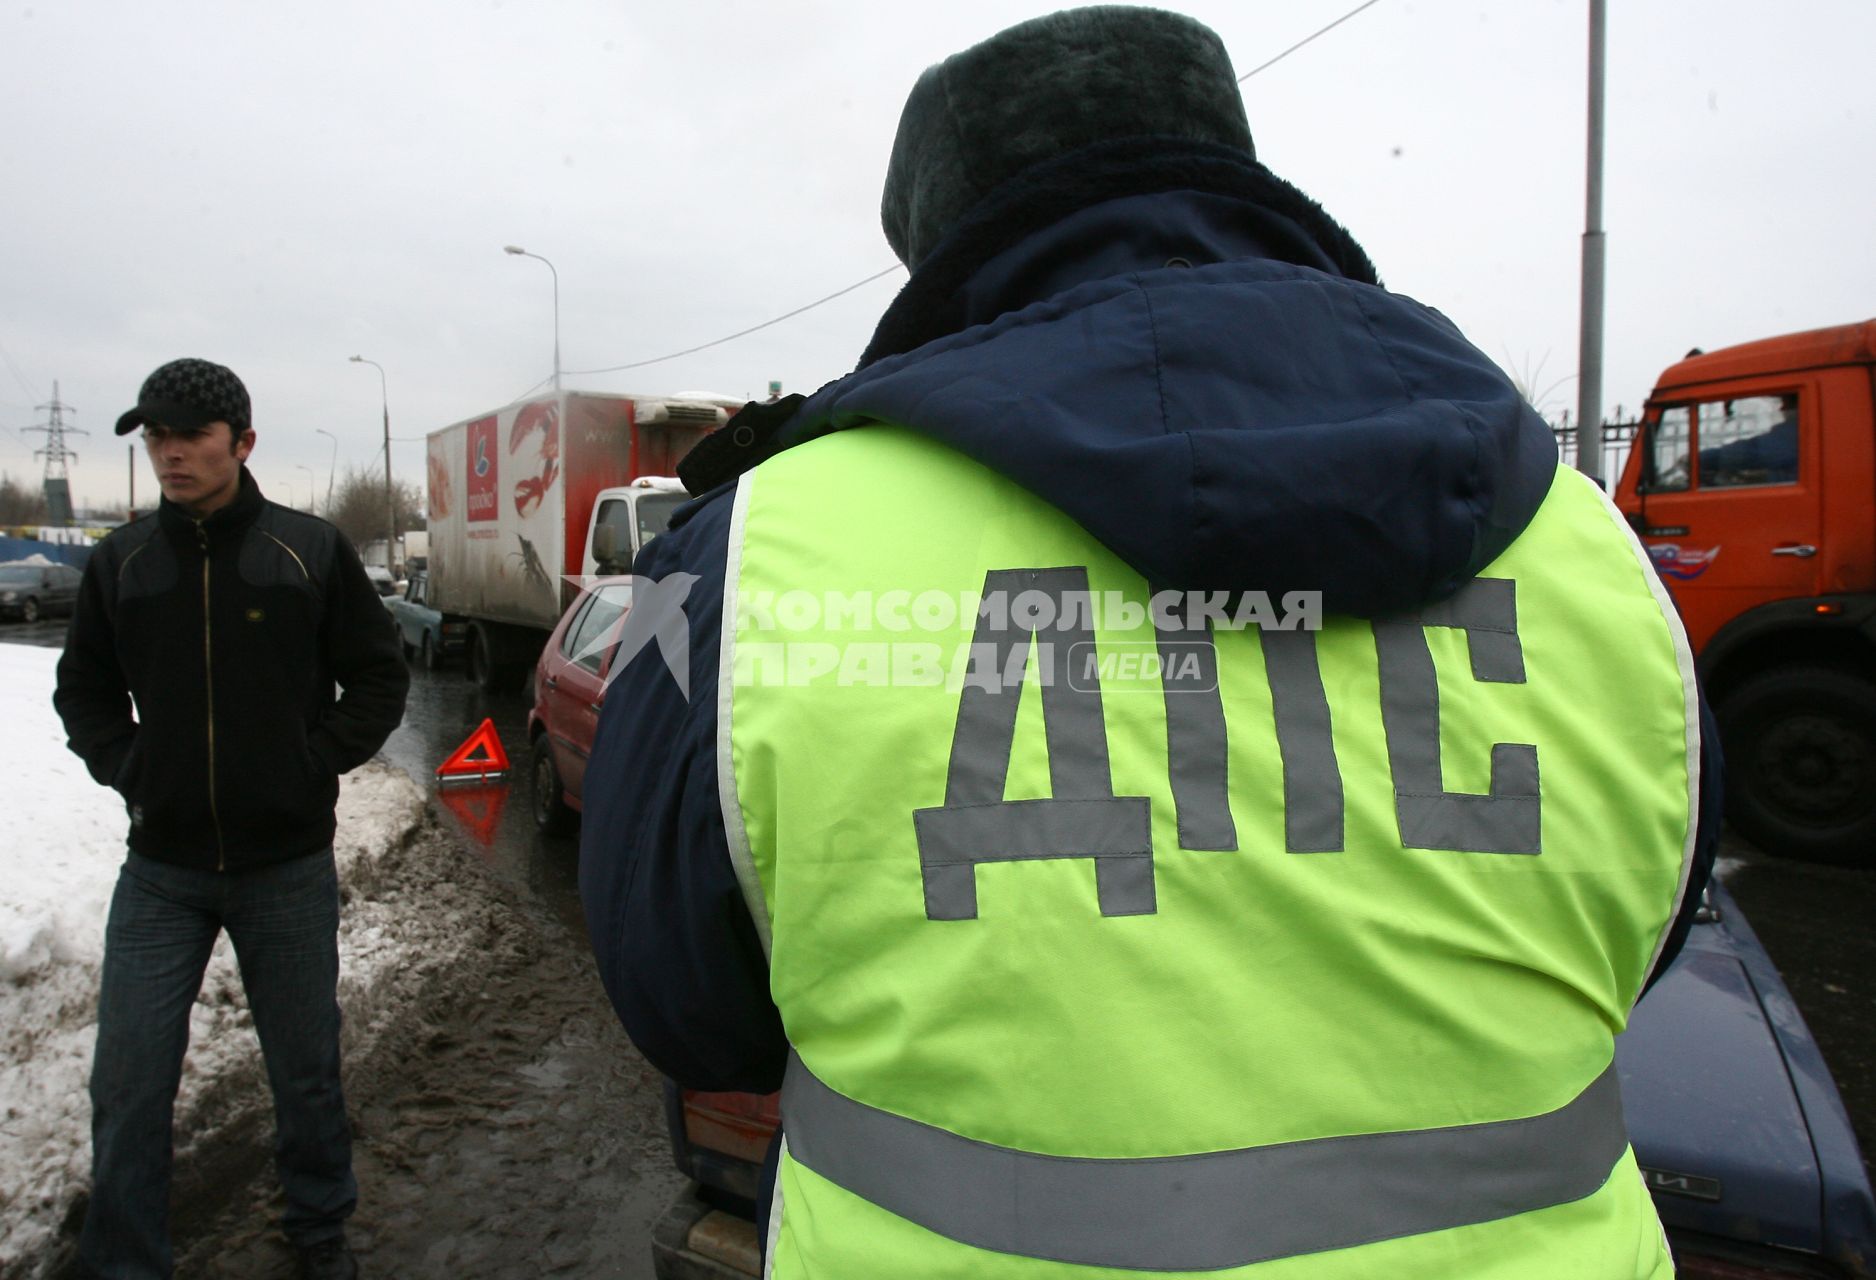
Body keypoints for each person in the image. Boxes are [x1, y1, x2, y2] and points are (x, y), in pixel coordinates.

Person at [580, 9, 1718, 1277]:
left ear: (938, 243)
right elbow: (1641, 933)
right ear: (1239, 174)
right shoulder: (1587, 544)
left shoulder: (754, 557)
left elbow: (682, 1000)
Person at [54, 357, 409, 1280]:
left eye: (189, 437)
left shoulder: (307, 550)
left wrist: (311, 762)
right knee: (129, 1079)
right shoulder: (122, 561)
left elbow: (378, 676)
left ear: (242, 444)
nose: (169, 453)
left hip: (284, 864)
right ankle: (125, 1258)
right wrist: (130, 768)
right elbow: (83, 691)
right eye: (155, 437)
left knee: (303, 1068)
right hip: (161, 868)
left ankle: (319, 1227)